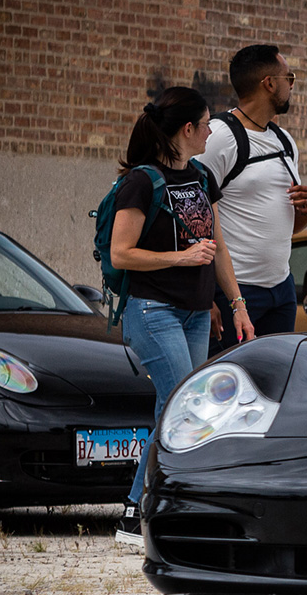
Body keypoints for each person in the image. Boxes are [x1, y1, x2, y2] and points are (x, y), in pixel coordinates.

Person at [109, 86, 256, 547]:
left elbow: (218, 247)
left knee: (190, 414)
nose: (212, 130)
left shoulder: (198, 176)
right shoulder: (140, 181)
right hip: (153, 311)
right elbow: (120, 254)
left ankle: (169, 506)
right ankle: (136, 513)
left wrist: (237, 304)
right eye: (207, 123)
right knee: (179, 407)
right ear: (186, 129)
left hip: (195, 314)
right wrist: (180, 258)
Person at [198, 45, 307, 353]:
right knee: (228, 385)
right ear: (268, 83)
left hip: (282, 291)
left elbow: (286, 227)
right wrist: (205, 297)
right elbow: (193, 217)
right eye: (288, 77)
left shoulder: (284, 141)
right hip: (235, 294)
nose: (292, 85)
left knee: (272, 386)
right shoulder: (219, 137)